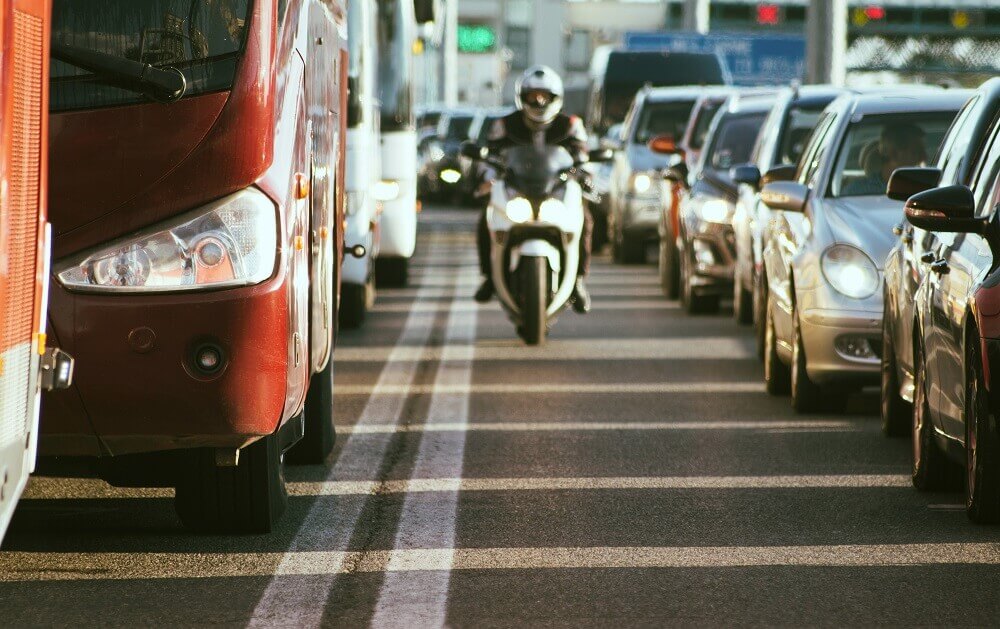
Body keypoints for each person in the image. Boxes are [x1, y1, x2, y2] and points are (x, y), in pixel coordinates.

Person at [474, 65, 594, 314]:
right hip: (517, 191)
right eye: (533, 96)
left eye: (544, 96)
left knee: (585, 218)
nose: (538, 101)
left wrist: (586, 176)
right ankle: (489, 276)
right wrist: (487, 177)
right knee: (486, 219)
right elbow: (490, 158)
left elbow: (583, 158)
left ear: (555, 98)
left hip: (555, 191)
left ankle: (578, 280)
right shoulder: (505, 125)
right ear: (522, 98)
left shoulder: (571, 125)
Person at [842, 123, 927, 196]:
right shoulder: (857, 192)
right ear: (892, 153)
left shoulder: (925, 191)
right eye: (916, 152)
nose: (924, 157)